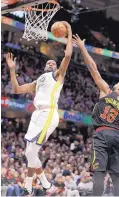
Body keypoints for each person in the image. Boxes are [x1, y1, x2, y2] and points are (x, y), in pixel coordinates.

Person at [6, 21, 72, 196]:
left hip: (49, 113)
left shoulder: (57, 76)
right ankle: (38, 185)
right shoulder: (39, 80)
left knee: (30, 151)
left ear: (56, 68)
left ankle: (37, 183)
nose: (50, 64)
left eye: (53, 63)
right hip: (37, 114)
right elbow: (16, 90)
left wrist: (69, 33)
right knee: (29, 151)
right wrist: (12, 70)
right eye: (48, 63)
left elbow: (67, 56)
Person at [73, 34, 119, 196]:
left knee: (99, 173)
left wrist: (82, 48)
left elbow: (92, 67)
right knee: (116, 176)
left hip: (102, 134)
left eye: (117, 83)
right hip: (117, 137)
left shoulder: (106, 91)